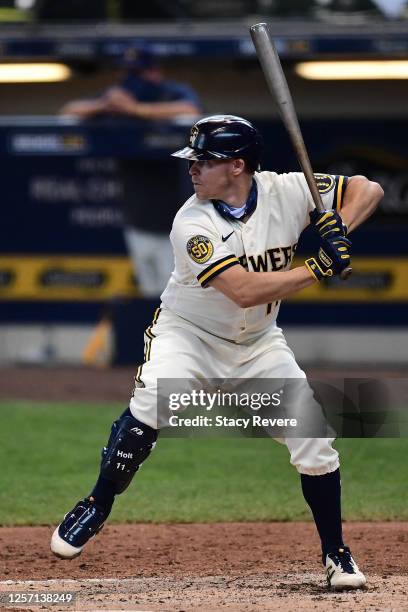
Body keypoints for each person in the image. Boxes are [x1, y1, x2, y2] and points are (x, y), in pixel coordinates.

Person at [50, 115, 384, 590]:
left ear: (237, 166)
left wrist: (339, 225)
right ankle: (96, 503)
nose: (192, 169)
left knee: (314, 444)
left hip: (259, 345)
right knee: (153, 401)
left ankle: (337, 554)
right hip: (190, 335)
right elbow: (243, 290)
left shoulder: (288, 190)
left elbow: (368, 189)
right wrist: (320, 264)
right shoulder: (191, 221)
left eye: (203, 161)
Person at [60, 46, 201, 297]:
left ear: (155, 72)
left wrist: (136, 110)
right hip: (137, 220)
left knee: (178, 296)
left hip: (175, 223)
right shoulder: (118, 96)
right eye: (126, 72)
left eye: (138, 72)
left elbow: (192, 112)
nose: (131, 79)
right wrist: (104, 104)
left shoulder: (169, 92)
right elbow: (68, 112)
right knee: (150, 296)